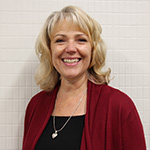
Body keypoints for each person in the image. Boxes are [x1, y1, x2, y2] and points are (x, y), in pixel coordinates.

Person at [22, 5, 146, 150]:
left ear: (93, 49)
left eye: (81, 40)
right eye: (60, 40)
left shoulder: (119, 106)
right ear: (49, 50)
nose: (70, 48)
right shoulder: (36, 105)